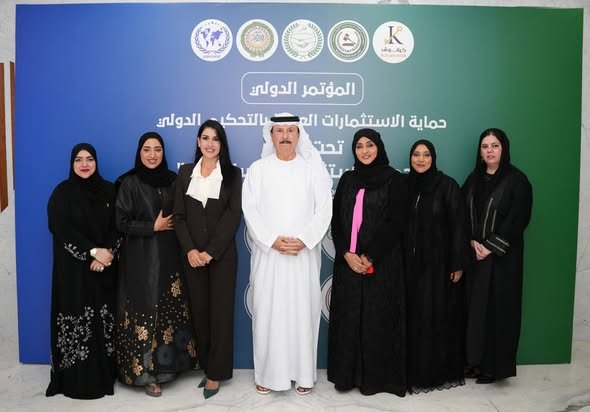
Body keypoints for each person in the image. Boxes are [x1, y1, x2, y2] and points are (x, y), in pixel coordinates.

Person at [242, 113, 332, 395]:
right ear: (270, 135)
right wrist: (271, 240)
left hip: (302, 256)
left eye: (290, 130)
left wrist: (304, 240)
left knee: (302, 313)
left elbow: (324, 210)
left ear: (299, 135)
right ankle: (268, 375)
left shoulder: (313, 170)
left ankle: (303, 375)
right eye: (279, 130)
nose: (284, 136)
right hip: (269, 256)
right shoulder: (257, 169)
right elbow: (250, 210)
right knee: (268, 314)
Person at [115, 132, 197, 397]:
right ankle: (144, 374)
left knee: (167, 310)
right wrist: (153, 226)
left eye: (157, 149)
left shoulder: (173, 181)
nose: (152, 155)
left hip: (170, 258)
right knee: (144, 308)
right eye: (147, 149)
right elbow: (120, 222)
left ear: (163, 153)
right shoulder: (128, 183)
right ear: (139, 152)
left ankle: (167, 368)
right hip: (140, 258)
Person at [327, 128, 407, 397]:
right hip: (348, 263)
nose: (364, 151)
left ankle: (374, 379)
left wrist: (369, 256)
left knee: (376, 320)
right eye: (359, 146)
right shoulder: (348, 179)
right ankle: (347, 377)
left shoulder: (395, 180)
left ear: (379, 147)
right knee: (349, 319)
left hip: (381, 264)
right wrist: (346, 253)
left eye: (369, 145)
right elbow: (337, 221)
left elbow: (396, 223)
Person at [173, 120, 242, 399]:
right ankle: (207, 365)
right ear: (198, 142)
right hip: (192, 258)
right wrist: (191, 250)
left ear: (221, 144)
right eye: (205, 138)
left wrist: (210, 251)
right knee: (200, 314)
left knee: (221, 315)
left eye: (215, 139)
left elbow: (233, 216)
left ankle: (216, 373)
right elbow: (179, 216)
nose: (210, 143)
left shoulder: (233, 174)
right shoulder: (185, 173)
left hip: (222, 257)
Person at [46, 143, 119, 399]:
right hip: (73, 272)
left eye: (89, 159)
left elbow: (117, 226)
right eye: (79, 160)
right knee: (77, 318)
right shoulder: (62, 193)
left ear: (96, 162)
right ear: (72, 163)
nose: (85, 164)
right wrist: (92, 251)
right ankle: (75, 378)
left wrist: (106, 253)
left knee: (102, 320)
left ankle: (104, 374)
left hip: (103, 269)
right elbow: (60, 228)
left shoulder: (109, 190)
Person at [462, 128, 533, 384]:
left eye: (495, 145)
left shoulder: (517, 180)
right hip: (476, 258)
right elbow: (461, 213)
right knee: (475, 311)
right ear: (480, 152)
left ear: (504, 149)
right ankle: (474, 363)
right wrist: (471, 241)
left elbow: (518, 218)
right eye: (485, 146)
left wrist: (490, 246)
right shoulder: (473, 180)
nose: (489, 150)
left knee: (499, 312)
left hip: (503, 260)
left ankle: (494, 368)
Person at [405, 139, 469, 393]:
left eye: (426, 155)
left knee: (434, 317)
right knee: (412, 318)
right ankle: (412, 370)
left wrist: (458, 263)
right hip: (409, 267)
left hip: (438, 268)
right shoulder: (406, 185)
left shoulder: (447, 186)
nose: (420, 159)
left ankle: (433, 373)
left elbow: (459, 226)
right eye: (416, 154)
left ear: (433, 158)